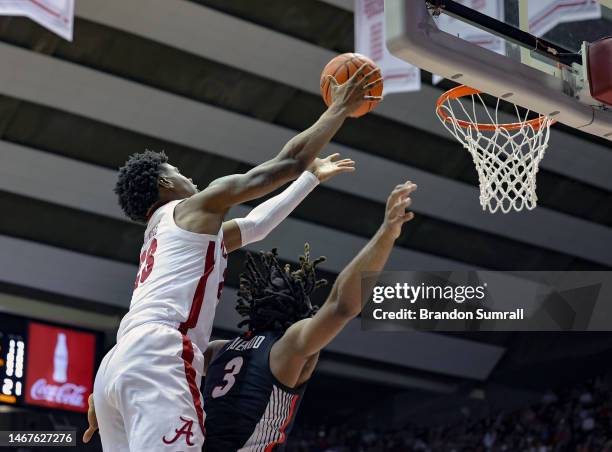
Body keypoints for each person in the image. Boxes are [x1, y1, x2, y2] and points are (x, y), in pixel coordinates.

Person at [91, 65, 382, 452]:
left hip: (114, 365)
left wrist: (310, 180)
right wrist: (339, 109)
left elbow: (256, 225)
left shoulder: (165, 237)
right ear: (164, 184)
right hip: (158, 353)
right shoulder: (196, 207)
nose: (188, 178)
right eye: (177, 172)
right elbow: (287, 162)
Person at [200, 180, 416, 451]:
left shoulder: (218, 351)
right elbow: (341, 306)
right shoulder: (287, 347)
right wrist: (386, 232)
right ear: (301, 311)